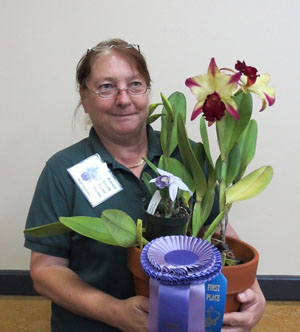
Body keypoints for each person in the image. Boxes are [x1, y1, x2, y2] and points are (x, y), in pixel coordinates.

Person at [24, 38, 265, 332]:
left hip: (183, 322)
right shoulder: (63, 170)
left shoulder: (186, 155)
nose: (123, 98)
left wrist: (253, 293)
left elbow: (218, 233)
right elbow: (45, 272)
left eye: (135, 84)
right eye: (106, 87)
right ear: (84, 98)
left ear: (148, 91)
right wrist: (116, 313)